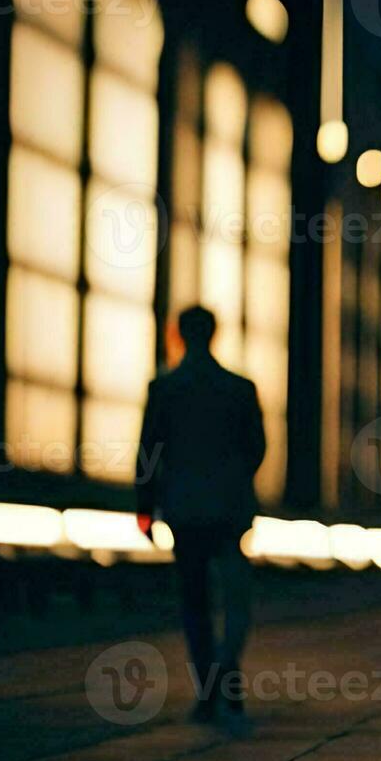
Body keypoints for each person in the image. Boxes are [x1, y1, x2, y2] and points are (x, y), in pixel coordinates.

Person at [136, 306, 266, 734]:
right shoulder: (240, 389)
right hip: (229, 508)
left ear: (179, 335)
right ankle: (227, 669)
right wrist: (234, 482)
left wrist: (144, 507)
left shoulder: (164, 388)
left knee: (194, 602)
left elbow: (148, 453)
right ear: (214, 334)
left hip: (184, 508)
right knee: (236, 597)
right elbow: (256, 449)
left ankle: (208, 690)